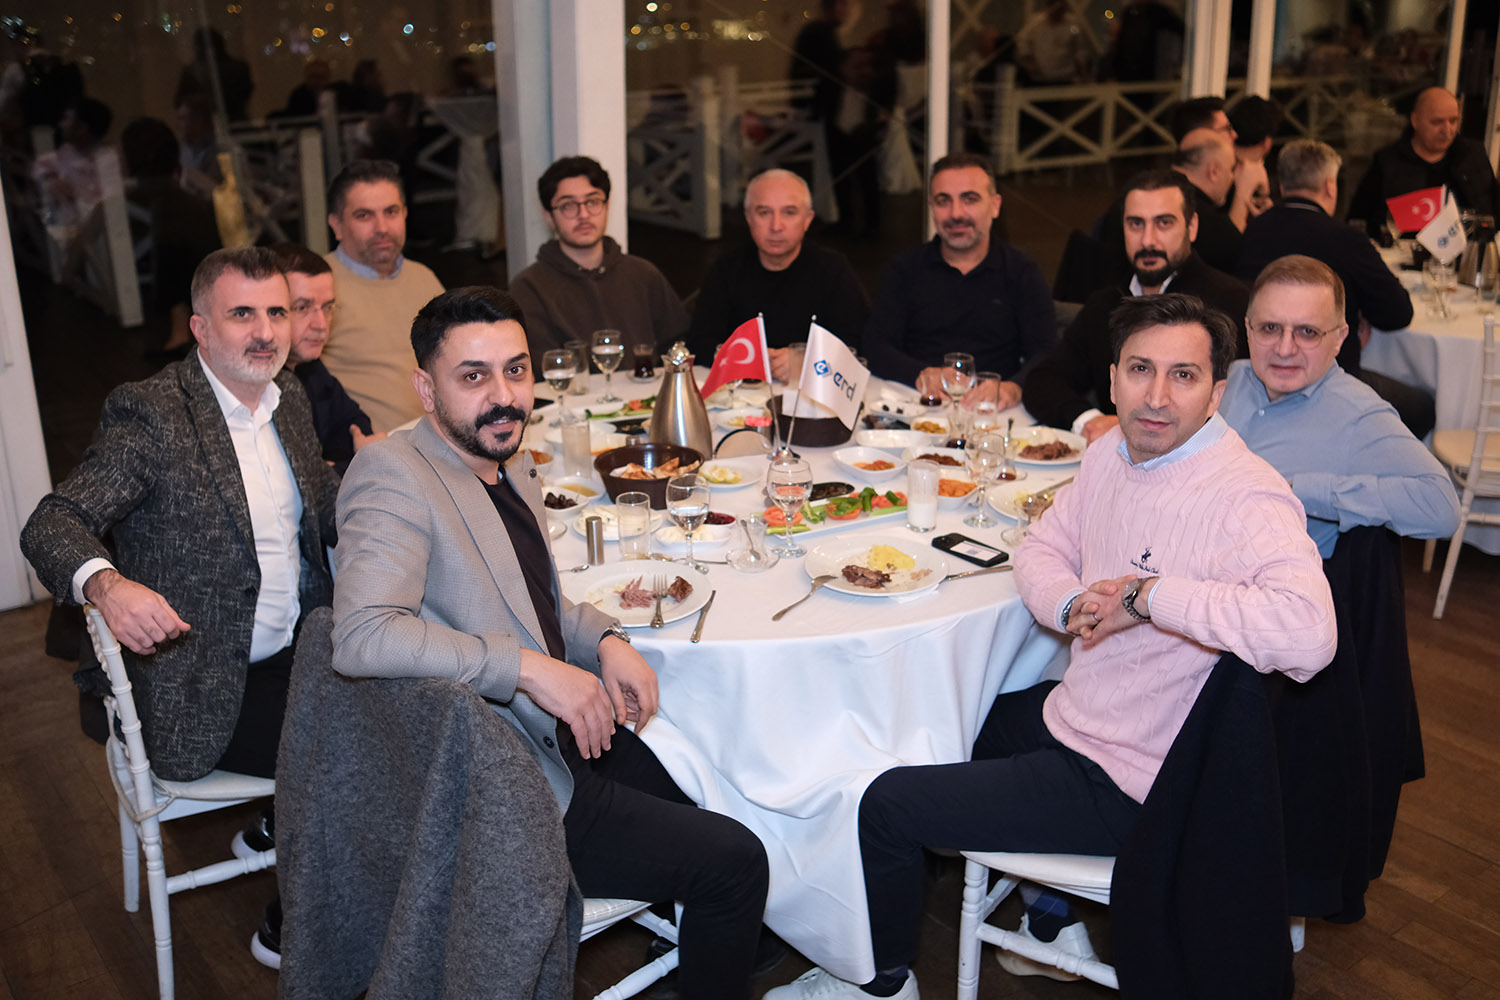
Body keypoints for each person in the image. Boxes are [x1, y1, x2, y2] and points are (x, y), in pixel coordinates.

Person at [765, 293, 1337, 1000]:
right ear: (1113, 377)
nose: (1157, 396)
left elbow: (1310, 634)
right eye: (1140, 370)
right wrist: (1071, 606)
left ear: (1218, 392)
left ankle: (879, 984)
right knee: (917, 723)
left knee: (884, 803)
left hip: (1136, 779)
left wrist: (1150, 596)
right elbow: (1041, 547)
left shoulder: (1244, 495)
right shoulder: (1112, 455)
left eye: (1184, 376)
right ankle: (1047, 922)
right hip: (1079, 714)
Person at [333, 286, 770, 1000]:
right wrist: (528, 669)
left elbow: (530, 600)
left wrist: (606, 639)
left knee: (717, 782)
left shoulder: (507, 461)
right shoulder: (395, 474)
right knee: (738, 860)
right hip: (498, 781)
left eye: (515, 370)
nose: (504, 397)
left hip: (558, 736)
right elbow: (361, 635)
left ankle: (705, 950)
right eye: (473, 376)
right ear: (426, 388)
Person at [19, 247, 339, 968]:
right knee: (360, 741)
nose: (266, 331)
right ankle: (296, 920)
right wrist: (108, 584)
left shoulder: (286, 398)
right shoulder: (155, 413)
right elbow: (52, 522)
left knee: (408, 694)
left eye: (278, 311)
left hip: (294, 651)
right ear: (199, 327)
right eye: (242, 314)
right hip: (195, 679)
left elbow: (317, 505)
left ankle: (284, 827)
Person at [1220, 255, 1459, 555]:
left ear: (1339, 338)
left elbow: (1442, 507)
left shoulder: (1359, 416)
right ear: (1248, 328)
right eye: (1270, 328)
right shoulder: (1229, 379)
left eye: (1308, 332)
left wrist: (1304, 490)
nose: (1284, 348)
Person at [1025, 169, 1249, 440]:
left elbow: (1238, 410)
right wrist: (1089, 421)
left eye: (1163, 223)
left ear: (1191, 227)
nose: (1147, 240)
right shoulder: (1105, 304)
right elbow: (1043, 381)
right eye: (1136, 224)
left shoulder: (1227, 302)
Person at [1238, 139, 1434, 439]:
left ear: (1282, 185)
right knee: (1424, 406)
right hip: (1327, 381)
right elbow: (1397, 314)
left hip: (1261, 375)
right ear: (1330, 187)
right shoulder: (1346, 239)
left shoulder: (1253, 229)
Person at [863, 151, 1055, 409]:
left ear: (995, 205)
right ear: (932, 208)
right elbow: (875, 346)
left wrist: (1014, 386)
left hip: (993, 412)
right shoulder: (904, 271)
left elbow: (1046, 352)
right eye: (943, 201)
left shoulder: (1022, 273)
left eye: (970, 199)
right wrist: (919, 373)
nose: (956, 213)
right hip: (917, 406)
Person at [686, 169, 869, 382]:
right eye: (764, 213)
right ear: (748, 218)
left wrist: (806, 361)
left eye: (789, 213)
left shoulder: (833, 270)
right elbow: (699, 342)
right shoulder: (726, 269)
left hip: (813, 390)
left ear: (807, 220)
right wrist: (754, 360)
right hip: (742, 392)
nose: (776, 226)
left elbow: (857, 344)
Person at [507, 155, 689, 360]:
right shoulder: (529, 287)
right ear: (549, 216)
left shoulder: (643, 275)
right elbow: (538, 367)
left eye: (592, 202)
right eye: (568, 205)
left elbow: (679, 347)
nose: (584, 214)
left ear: (607, 206)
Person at [319, 158, 445, 433]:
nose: (382, 228)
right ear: (336, 225)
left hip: (444, 440)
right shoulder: (318, 288)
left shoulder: (424, 278)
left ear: (405, 214)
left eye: (391, 212)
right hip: (377, 449)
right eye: (364, 215)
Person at [271, 243, 383, 473]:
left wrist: (333, 466)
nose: (321, 325)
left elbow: (356, 424)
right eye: (302, 307)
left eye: (328, 307)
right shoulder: (259, 384)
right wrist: (355, 464)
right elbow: (303, 480)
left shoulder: (309, 366)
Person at [1348, 86, 1500, 234]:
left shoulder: (1472, 156)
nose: (1447, 130)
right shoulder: (1387, 163)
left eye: (1453, 121)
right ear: (1415, 121)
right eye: (1437, 122)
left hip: (1467, 248)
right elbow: (1358, 222)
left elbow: (1492, 213)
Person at [1015, 0, 1097, 84]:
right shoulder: (1035, 24)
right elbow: (1022, 45)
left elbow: (1080, 51)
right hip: (1040, 79)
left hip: (1066, 78)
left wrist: (1084, 75)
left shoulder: (1073, 24)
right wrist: (1031, 64)